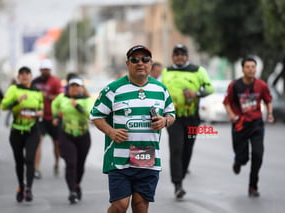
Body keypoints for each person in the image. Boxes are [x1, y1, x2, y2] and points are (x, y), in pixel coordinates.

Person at [90, 45, 175, 213]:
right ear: (128, 63)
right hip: (119, 158)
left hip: (148, 157)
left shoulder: (161, 89)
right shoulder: (113, 89)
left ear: (151, 64)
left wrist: (164, 121)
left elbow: (171, 114)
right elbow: (95, 115)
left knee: (140, 206)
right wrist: (111, 132)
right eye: (135, 60)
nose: (140, 63)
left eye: (145, 59)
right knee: (120, 205)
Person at [161, 43, 214, 199]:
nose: (179, 56)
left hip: (192, 117)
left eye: (182, 54)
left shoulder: (198, 70)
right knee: (176, 148)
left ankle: (181, 176)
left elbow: (210, 88)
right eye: (176, 54)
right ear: (172, 57)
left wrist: (196, 93)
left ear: (187, 56)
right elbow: (160, 91)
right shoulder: (166, 71)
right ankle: (178, 184)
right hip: (173, 117)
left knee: (187, 149)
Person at [223, 56, 274, 197]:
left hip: (256, 124)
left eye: (253, 67)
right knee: (244, 157)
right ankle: (238, 161)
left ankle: (253, 186)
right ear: (243, 69)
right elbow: (226, 102)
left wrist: (269, 113)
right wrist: (231, 115)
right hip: (239, 125)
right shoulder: (235, 85)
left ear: (256, 69)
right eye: (248, 67)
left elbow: (268, 100)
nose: (251, 69)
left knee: (258, 155)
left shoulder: (261, 85)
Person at [0, 66, 43, 202]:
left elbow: (41, 109)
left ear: (31, 76)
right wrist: (17, 101)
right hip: (17, 131)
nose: (24, 76)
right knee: (19, 161)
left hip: (32, 130)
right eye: (22, 74)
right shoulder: (14, 89)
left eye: (27, 74)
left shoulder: (37, 92)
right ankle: (20, 185)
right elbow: (3, 106)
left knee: (30, 159)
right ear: (18, 77)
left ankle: (29, 189)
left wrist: (39, 113)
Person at [51, 77, 93, 204]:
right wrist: (55, 116)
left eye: (77, 86)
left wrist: (78, 106)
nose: (74, 88)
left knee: (80, 165)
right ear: (69, 88)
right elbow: (54, 104)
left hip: (83, 136)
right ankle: (72, 191)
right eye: (72, 86)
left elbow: (91, 115)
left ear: (82, 88)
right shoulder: (62, 98)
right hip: (66, 135)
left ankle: (77, 184)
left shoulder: (87, 100)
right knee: (71, 163)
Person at [32, 59, 63, 179]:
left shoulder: (55, 81)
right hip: (40, 117)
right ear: (40, 70)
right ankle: (36, 168)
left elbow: (60, 96)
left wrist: (49, 96)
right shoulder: (35, 82)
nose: (45, 71)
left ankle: (56, 163)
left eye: (47, 69)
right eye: (44, 69)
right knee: (38, 141)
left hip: (54, 117)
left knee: (56, 143)